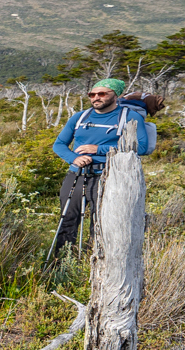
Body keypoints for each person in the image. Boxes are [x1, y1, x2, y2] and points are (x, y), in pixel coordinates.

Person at [46, 78, 155, 265]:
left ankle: (96, 265)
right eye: (92, 94)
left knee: (102, 223)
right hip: (77, 175)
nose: (96, 98)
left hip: (109, 177)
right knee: (68, 220)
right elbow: (59, 145)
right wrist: (74, 158)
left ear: (116, 95)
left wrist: (98, 149)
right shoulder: (80, 117)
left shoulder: (129, 117)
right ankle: (60, 265)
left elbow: (142, 147)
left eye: (102, 94)